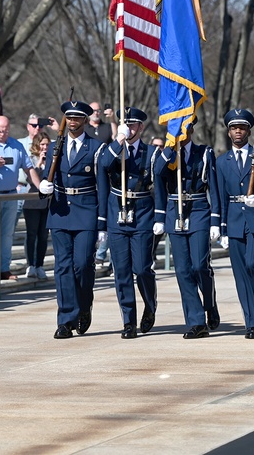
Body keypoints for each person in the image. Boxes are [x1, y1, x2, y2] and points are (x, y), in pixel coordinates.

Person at [39, 100, 106, 339]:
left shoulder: (96, 147)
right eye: (70, 117)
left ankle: (84, 304)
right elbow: (48, 174)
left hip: (86, 211)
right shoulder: (57, 145)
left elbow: (103, 186)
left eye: (78, 118)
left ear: (85, 120)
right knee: (63, 267)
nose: (73, 121)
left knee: (82, 264)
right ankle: (66, 319)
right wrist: (43, 186)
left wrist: (101, 221)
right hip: (60, 211)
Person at [153, 119, 221, 339]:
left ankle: (209, 303)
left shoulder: (204, 153)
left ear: (191, 129)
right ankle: (196, 321)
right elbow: (157, 172)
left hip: (199, 210)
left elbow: (215, 188)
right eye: (175, 129)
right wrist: (169, 149)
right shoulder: (166, 154)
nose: (181, 133)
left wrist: (215, 220)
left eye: (184, 128)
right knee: (182, 270)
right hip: (175, 212)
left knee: (200, 265)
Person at [96, 107, 158, 339]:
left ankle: (150, 304)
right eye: (127, 125)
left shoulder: (150, 152)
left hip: (141, 214)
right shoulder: (112, 149)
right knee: (121, 272)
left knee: (142, 268)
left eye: (133, 125)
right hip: (117, 213)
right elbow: (102, 165)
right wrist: (118, 140)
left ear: (141, 127)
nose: (130, 128)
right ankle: (128, 320)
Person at [216, 109, 254, 339]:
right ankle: (251, 322)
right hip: (233, 220)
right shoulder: (222, 162)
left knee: (253, 265)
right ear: (229, 132)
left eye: (241, 127)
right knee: (240, 274)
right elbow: (221, 197)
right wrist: (221, 228)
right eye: (233, 128)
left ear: (250, 131)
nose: (238, 131)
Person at [0, 115, 41, 280]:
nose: (2, 134)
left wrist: (40, 188)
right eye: (0, 131)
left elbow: (28, 168)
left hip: (11, 195)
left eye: (6, 131)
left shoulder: (16, 145)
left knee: (7, 233)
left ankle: (4, 268)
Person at [22, 132, 51, 280]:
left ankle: (40, 265)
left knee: (43, 236)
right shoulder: (31, 159)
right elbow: (31, 179)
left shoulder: (52, 159)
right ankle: (30, 265)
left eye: (47, 144)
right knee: (31, 234)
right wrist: (39, 163)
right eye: (42, 145)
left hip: (46, 204)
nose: (45, 147)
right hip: (32, 202)